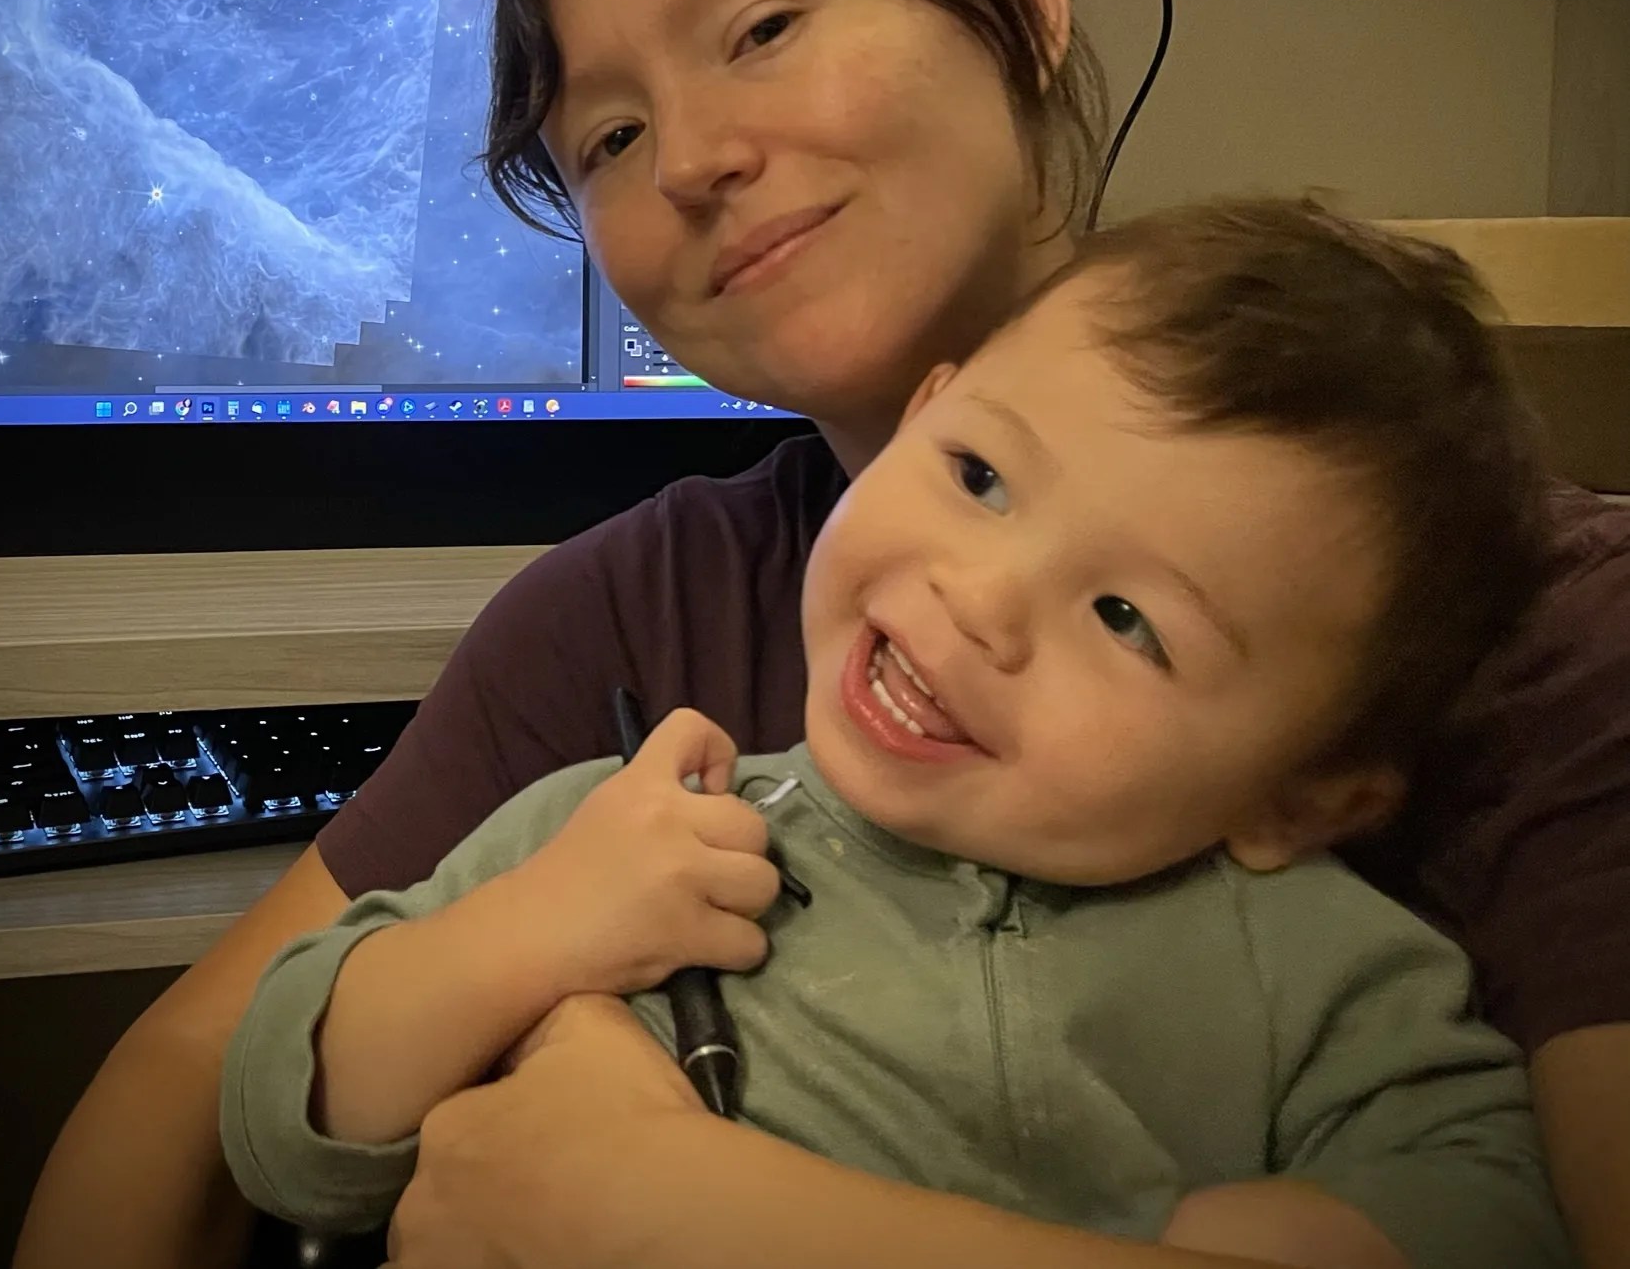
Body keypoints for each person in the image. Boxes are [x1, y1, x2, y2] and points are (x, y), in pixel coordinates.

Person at [11, 0, 1630, 1269]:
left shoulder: (1525, 635)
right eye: (612, 138)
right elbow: (209, 1077)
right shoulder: (622, 630)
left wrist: (696, 1217)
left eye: (765, 28)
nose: (701, 159)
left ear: (1018, 5)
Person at [220, 199, 1573, 1269]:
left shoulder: (1322, 976)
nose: (977, 602)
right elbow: (284, 1126)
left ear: (1302, 798)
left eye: (1125, 617)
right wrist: (520, 936)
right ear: (917, 420)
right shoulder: (627, 820)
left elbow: (1487, 1224)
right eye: (978, 476)